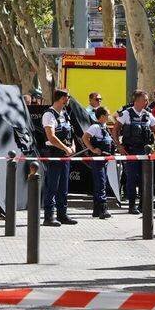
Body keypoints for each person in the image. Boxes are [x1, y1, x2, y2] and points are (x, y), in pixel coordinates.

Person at [116, 89, 155, 215]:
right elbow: (115, 130)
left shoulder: (147, 115)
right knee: (131, 179)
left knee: (144, 179)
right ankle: (131, 205)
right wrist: (119, 146)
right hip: (131, 151)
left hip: (144, 152)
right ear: (137, 100)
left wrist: (154, 146)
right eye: (144, 99)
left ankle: (142, 205)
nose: (147, 102)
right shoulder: (126, 114)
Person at [40, 89, 76, 226]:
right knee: (52, 186)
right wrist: (65, 148)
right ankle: (49, 217)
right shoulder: (49, 115)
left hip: (65, 154)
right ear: (61, 98)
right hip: (54, 153)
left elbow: (70, 134)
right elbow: (51, 137)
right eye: (68, 97)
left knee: (63, 187)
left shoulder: (65, 114)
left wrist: (72, 147)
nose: (69, 99)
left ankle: (63, 215)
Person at [81, 106, 115, 219]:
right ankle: (103, 210)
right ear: (101, 117)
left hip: (104, 161)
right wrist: (92, 149)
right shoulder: (95, 127)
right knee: (100, 184)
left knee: (101, 183)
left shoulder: (105, 128)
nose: (108, 117)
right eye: (107, 115)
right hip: (97, 160)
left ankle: (96, 211)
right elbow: (85, 137)